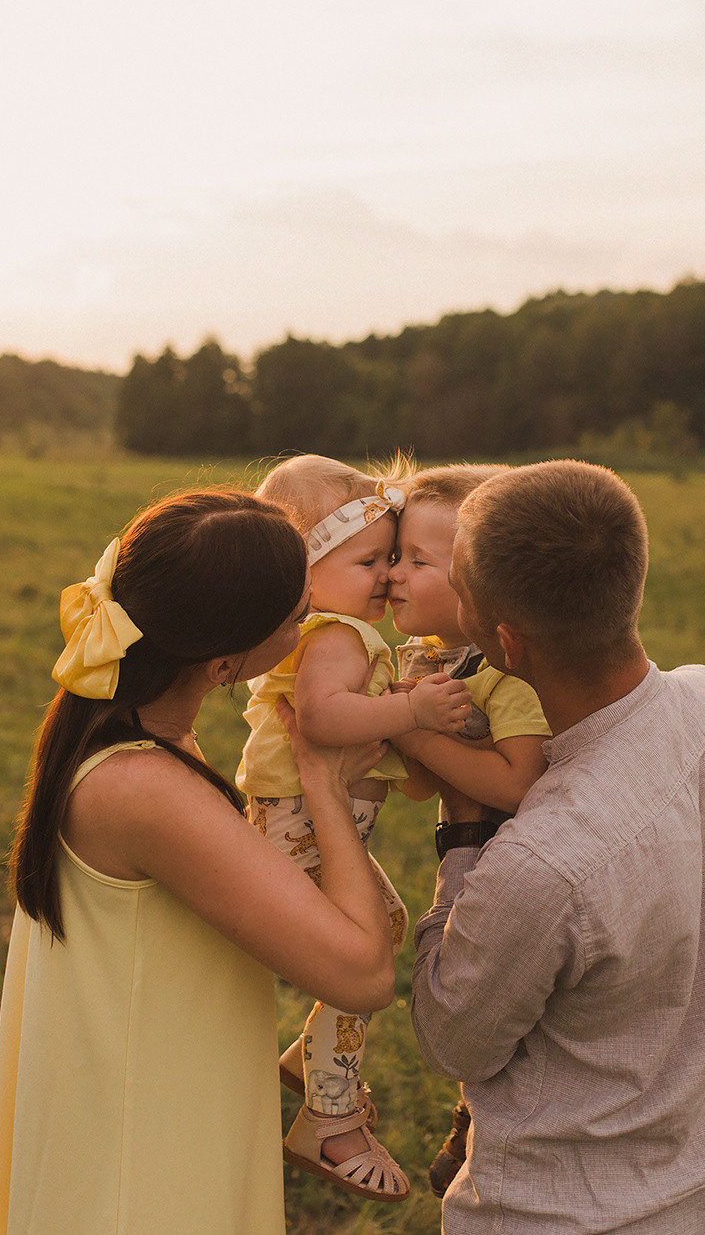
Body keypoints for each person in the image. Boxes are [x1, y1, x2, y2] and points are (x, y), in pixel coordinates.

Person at [409, 460, 705, 1233]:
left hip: (548, 1215)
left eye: (456, 582)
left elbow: (452, 1036)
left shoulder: (540, 859)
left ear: (505, 641)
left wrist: (466, 835)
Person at [0, 489, 398, 1235]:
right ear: (225, 662)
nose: (312, 626)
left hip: (151, 1116)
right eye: (299, 617)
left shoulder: (130, 733)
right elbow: (361, 971)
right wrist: (325, 788)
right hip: (141, 1173)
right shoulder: (144, 789)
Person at [236, 454, 473, 1203]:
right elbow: (323, 718)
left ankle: (309, 1059)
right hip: (298, 824)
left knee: (391, 918)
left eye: (396, 557)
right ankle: (329, 1115)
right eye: (371, 559)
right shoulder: (335, 632)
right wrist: (412, 711)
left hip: (315, 821)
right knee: (358, 955)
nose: (387, 575)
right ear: (308, 574)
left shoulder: (349, 632)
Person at [379, 463, 553, 1196]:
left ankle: (481, 1126)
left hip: (518, 877)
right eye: (395, 554)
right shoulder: (427, 663)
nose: (393, 573)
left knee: (499, 1009)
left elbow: (518, 778)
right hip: (466, 855)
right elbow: (425, 788)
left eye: (419, 562)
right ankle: (471, 1117)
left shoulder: (504, 679)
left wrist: (417, 737)